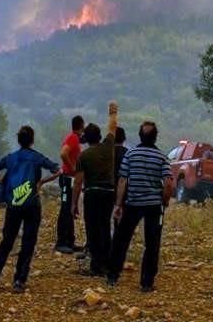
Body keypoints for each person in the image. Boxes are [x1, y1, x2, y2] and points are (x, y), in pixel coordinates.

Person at [0, 125, 61, 292]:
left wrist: (4, 184)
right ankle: (19, 280)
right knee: (28, 241)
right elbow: (57, 170)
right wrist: (41, 183)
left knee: (7, 241)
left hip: (14, 205)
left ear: (18, 140)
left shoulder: (10, 158)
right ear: (32, 140)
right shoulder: (37, 157)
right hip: (32, 203)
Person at [107, 121, 173, 292]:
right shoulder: (162, 157)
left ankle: (112, 276)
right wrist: (165, 200)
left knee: (121, 240)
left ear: (140, 136)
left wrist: (118, 204)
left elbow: (122, 180)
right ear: (155, 137)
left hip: (132, 203)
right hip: (153, 205)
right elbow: (168, 183)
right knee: (152, 243)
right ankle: (146, 282)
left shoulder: (131, 154)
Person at [72, 102, 119, 276]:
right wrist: (113, 112)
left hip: (91, 193)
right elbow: (113, 127)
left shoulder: (83, 156)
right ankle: (106, 264)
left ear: (87, 139)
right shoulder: (108, 147)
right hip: (108, 193)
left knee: (92, 228)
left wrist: (74, 204)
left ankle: (95, 265)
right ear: (99, 136)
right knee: (105, 227)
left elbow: (78, 183)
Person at [56, 115, 85, 253]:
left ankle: (69, 241)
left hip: (69, 178)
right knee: (65, 209)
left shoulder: (75, 139)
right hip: (67, 178)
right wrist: (72, 169)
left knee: (69, 209)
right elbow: (63, 153)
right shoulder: (73, 138)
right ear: (81, 126)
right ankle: (61, 242)